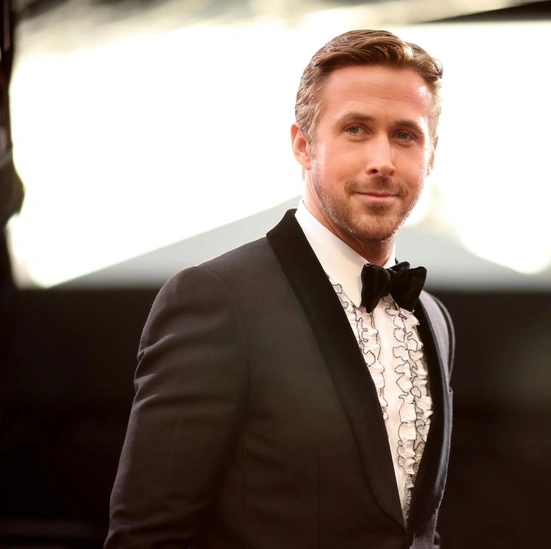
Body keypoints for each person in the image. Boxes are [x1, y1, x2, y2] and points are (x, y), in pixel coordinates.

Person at [106, 29, 455, 549]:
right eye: (356, 129)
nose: (382, 159)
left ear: (430, 155)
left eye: (405, 135)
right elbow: (147, 536)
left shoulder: (434, 319)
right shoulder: (216, 300)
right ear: (303, 145)